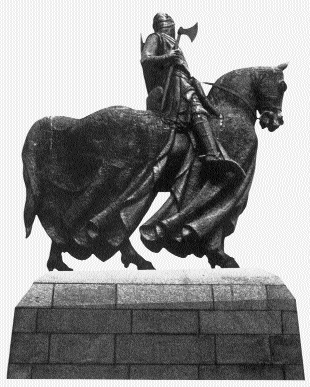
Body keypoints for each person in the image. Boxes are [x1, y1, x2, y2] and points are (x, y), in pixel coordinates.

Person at [141, 12, 245, 177]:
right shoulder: (155, 37)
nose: (171, 29)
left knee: (204, 105)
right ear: (162, 25)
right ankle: (211, 154)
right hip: (174, 84)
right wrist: (168, 56)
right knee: (196, 106)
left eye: (171, 26)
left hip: (184, 79)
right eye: (168, 25)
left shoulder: (174, 43)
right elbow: (145, 59)